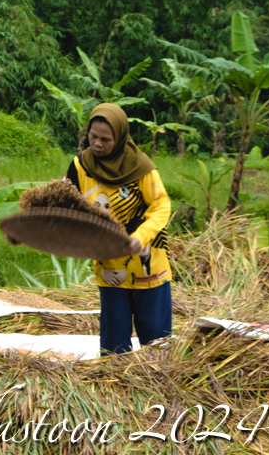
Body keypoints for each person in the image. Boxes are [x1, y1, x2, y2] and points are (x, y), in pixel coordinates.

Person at [68, 102, 172, 354]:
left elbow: (161, 205)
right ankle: (115, 388)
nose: (97, 144)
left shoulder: (141, 168)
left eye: (106, 139)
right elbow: (60, 206)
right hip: (109, 267)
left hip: (147, 266)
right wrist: (29, 230)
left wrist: (141, 236)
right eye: (93, 137)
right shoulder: (81, 166)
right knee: (114, 346)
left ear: (121, 137)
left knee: (156, 343)